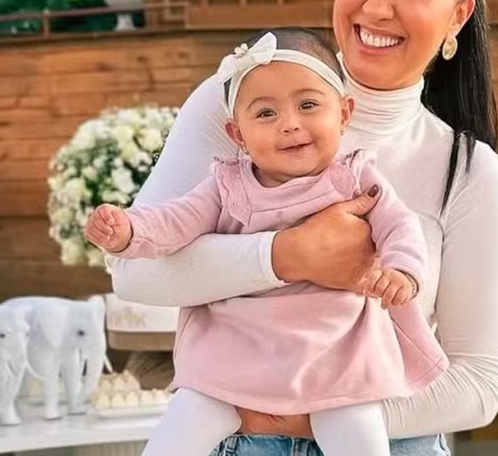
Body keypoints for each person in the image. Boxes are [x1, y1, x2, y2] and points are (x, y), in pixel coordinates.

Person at [110, 0, 498, 454]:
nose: (376, 6)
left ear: (458, 15)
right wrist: (288, 255)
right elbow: (134, 272)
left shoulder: (470, 173)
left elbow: (478, 386)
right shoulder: (242, 106)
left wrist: (306, 414)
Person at [87, 28, 448, 456]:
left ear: (344, 113)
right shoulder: (226, 185)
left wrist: (403, 271)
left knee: (356, 425)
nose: (289, 124)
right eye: (265, 113)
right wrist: (130, 230)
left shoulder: (353, 178)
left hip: (333, 352)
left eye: (308, 105)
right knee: (184, 421)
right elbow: (176, 221)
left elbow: (399, 225)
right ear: (237, 134)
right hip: (235, 351)